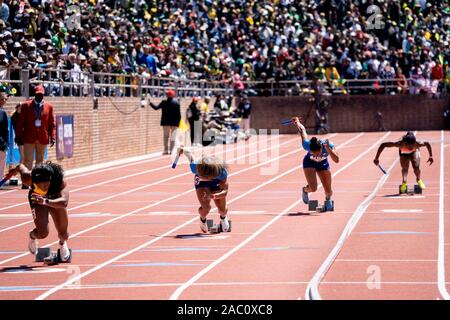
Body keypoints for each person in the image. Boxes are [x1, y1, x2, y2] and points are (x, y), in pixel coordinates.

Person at [7, 161, 71, 261]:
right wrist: (14, 170)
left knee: (64, 234)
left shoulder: (59, 182)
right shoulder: (27, 178)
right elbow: (21, 167)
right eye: (40, 186)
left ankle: (62, 244)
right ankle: (32, 236)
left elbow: (64, 202)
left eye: (46, 185)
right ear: (34, 182)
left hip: (55, 200)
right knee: (43, 233)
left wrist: (46, 201)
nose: (44, 188)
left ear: (50, 181)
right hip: (36, 200)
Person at [178, 147, 230, 233]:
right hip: (202, 185)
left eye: (205, 177)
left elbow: (224, 192)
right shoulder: (195, 168)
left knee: (222, 210)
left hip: (216, 183)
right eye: (202, 175)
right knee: (206, 208)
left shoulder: (221, 173)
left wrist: (214, 195)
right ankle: (203, 219)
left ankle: (223, 217)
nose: (204, 177)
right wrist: (184, 151)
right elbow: (190, 156)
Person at [292, 117, 339, 210]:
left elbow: (337, 160)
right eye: (314, 153)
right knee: (313, 189)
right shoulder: (307, 145)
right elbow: (302, 131)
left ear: (321, 148)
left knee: (328, 191)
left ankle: (328, 199)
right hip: (309, 163)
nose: (317, 155)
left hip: (323, 164)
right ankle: (305, 190)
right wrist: (297, 122)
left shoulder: (329, 145)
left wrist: (329, 149)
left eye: (318, 153)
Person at [15, 85, 56, 172]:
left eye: (41, 94)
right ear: (34, 94)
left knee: (40, 163)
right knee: (28, 161)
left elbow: (52, 124)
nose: (39, 96)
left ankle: (37, 182)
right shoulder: (26, 105)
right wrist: (18, 136)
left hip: (42, 138)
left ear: (44, 95)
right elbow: (20, 122)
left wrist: (53, 137)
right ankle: (26, 183)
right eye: (38, 94)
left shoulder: (49, 107)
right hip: (29, 138)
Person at [150, 89, 181, 155]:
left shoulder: (163, 102)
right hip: (174, 123)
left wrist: (150, 103)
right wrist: (178, 123)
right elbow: (179, 115)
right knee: (173, 137)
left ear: (167, 95)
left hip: (165, 122)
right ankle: (172, 150)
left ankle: (165, 150)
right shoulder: (176, 103)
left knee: (165, 136)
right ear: (173, 95)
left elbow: (156, 108)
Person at [0, 89, 8, 181]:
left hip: (1, 144)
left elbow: (5, 130)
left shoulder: (3, 113)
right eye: (2, 99)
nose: (4, 101)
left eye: (5, 99)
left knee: (1, 165)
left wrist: (5, 143)